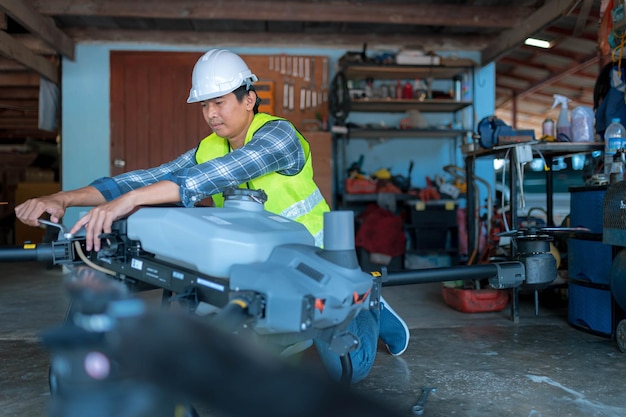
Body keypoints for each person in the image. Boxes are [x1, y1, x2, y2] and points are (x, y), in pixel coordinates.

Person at [15, 48, 409, 383]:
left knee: (345, 371)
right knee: (253, 360)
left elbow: (209, 178)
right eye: (205, 104)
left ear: (249, 99)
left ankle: (367, 302)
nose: (210, 114)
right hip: (258, 267)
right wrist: (64, 198)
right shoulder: (208, 148)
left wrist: (129, 202)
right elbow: (141, 179)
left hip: (318, 264)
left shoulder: (279, 136)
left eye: (219, 102)